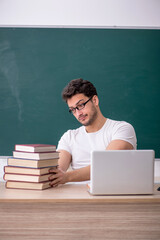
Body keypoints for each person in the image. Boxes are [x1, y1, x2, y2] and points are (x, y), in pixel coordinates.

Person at [49, 78, 137, 187]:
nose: (78, 113)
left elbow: (105, 165)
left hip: (112, 196)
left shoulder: (121, 129)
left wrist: (67, 177)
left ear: (95, 100)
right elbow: (57, 170)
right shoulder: (69, 137)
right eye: (73, 109)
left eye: (80, 105)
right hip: (76, 198)